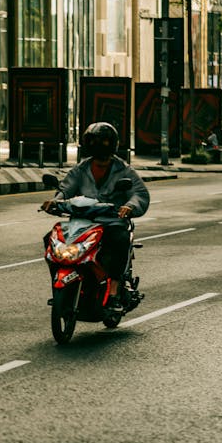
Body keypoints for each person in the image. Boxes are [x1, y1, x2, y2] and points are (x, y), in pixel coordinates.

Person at [41, 122, 150, 316]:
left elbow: (139, 194)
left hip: (111, 223)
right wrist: (55, 201)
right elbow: (66, 189)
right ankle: (61, 285)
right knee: (50, 238)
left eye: (102, 142)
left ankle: (114, 291)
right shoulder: (81, 169)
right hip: (82, 223)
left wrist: (129, 206)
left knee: (120, 241)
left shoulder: (124, 170)